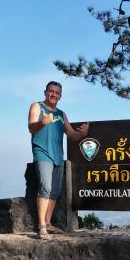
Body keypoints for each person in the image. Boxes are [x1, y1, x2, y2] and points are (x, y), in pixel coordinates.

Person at [28, 81, 89, 239]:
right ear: (45, 92)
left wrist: (82, 134)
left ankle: (48, 223)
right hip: (42, 153)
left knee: (55, 191)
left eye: (57, 92)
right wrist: (43, 122)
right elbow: (31, 127)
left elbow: (71, 134)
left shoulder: (61, 114)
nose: (53, 94)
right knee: (45, 187)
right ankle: (41, 226)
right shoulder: (37, 106)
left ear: (60, 96)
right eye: (51, 91)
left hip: (57, 156)